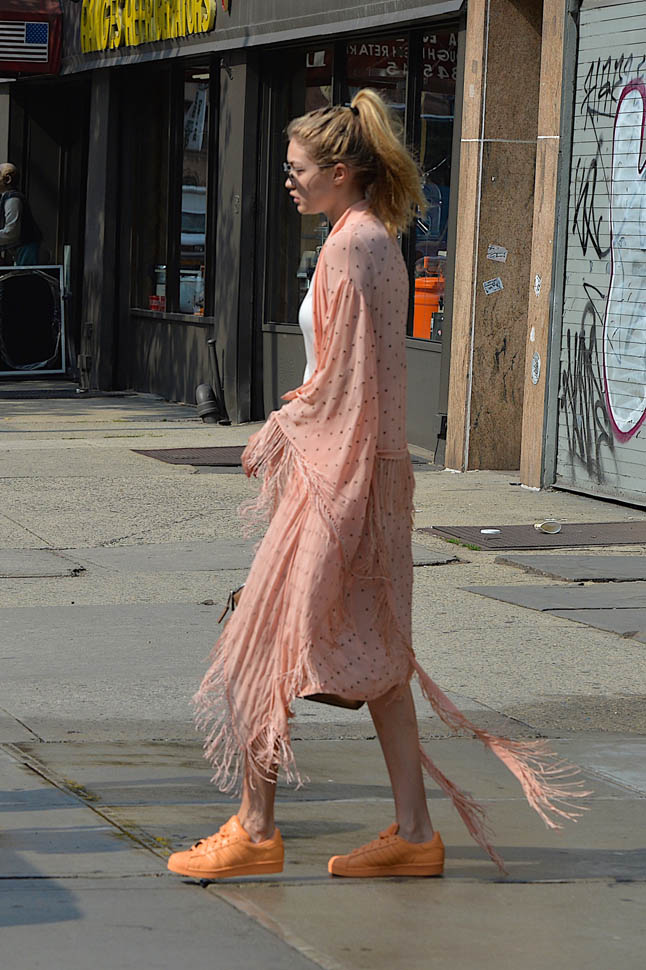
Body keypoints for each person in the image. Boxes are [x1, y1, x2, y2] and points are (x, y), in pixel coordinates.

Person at [168, 90, 587, 881]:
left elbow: (350, 384)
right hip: (359, 476)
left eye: (297, 169)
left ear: (340, 171)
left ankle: (256, 831)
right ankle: (415, 834)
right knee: (380, 659)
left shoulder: (353, 245)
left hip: (341, 482)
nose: (287, 180)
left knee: (262, 644)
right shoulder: (364, 238)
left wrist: (283, 429)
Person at [0, 163, 42, 266]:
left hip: (27, 247)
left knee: (25, 275)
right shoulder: (6, 197)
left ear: (7, 179)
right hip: (21, 248)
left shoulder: (13, 198)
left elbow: (12, 232)